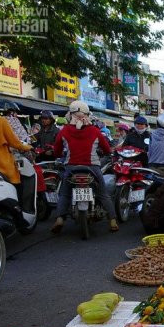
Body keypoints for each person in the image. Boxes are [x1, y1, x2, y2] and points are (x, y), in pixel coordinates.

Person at [50, 100, 118, 234]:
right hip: (92, 167)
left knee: (64, 194)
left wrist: (59, 154)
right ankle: (113, 221)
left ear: (70, 114)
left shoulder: (64, 131)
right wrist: (106, 153)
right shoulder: (95, 131)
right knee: (103, 194)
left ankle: (59, 219)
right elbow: (106, 149)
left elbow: (57, 151)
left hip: (71, 167)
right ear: (87, 115)